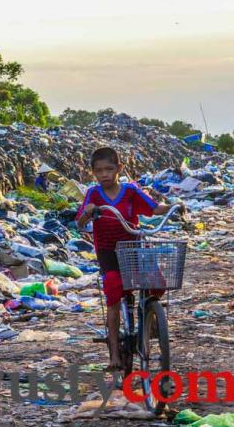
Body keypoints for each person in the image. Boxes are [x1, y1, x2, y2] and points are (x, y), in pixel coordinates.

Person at [75, 147, 182, 372]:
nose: (104, 174)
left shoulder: (131, 192)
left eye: (109, 169)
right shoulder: (93, 194)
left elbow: (154, 209)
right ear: (93, 173)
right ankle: (114, 353)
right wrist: (89, 212)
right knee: (113, 295)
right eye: (99, 170)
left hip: (133, 246)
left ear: (119, 169)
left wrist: (173, 207)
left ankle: (151, 318)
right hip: (107, 251)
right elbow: (80, 222)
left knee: (156, 283)